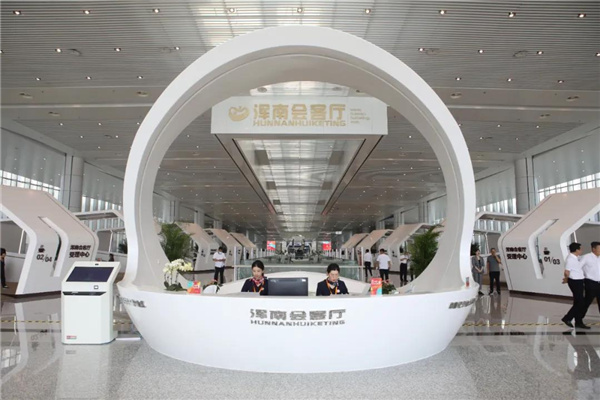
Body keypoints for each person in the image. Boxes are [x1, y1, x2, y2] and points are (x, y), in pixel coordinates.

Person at [562, 242, 590, 329]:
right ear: (577, 250)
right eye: (580, 249)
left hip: (579, 281)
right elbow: (567, 271)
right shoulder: (570, 259)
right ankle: (567, 318)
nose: (581, 250)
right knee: (580, 302)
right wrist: (566, 278)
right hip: (575, 281)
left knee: (578, 301)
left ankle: (578, 321)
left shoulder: (576, 258)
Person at [582, 241, 600, 317]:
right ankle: (579, 319)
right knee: (587, 302)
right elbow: (578, 267)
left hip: (599, 283)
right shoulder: (586, 257)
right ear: (593, 249)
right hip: (590, 282)